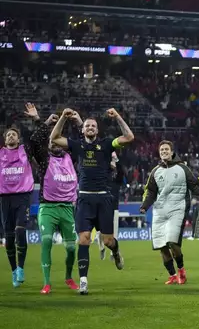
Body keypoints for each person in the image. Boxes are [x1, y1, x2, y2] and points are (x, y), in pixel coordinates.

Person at [50, 107, 134, 295]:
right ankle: (83, 281)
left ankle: (116, 251)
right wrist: (63, 117)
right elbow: (54, 138)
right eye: (87, 125)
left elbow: (129, 137)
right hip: (85, 198)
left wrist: (119, 117)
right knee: (84, 239)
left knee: (108, 240)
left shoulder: (106, 144)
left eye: (93, 126)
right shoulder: (77, 145)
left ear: (97, 130)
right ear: (82, 129)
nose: (89, 128)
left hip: (104, 198)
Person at [28, 107, 80, 294]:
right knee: (47, 241)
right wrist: (41, 122)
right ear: (48, 144)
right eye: (52, 141)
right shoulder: (44, 159)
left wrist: (76, 121)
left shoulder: (70, 157)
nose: (56, 144)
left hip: (67, 208)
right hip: (48, 207)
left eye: (59, 141)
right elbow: (34, 142)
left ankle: (68, 277)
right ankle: (47, 282)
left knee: (72, 249)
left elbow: (84, 143)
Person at [140, 141, 199, 285]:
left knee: (172, 241)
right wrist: (145, 206)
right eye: (161, 149)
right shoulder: (155, 171)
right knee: (161, 245)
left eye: (166, 149)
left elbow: (194, 185)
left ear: (171, 152)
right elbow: (151, 191)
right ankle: (172, 275)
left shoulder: (182, 168)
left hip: (178, 208)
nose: (164, 151)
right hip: (159, 210)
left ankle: (181, 269)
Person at [0, 102, 45, 287]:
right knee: (9, 238)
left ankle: (20, 268)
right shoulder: (0, 154)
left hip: (22, 198)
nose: (11, 136)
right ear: (5, 140)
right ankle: (13, 270)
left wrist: (36, 118)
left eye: (14, 134)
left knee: (20, 233)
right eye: (8, 134)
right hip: (4, 199)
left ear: (18, 140)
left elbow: (41, 135)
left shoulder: (25, 150)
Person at [98, 152, 125, 261]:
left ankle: (112, 253)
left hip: (114, 209)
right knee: (100, 233)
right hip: (103, 208)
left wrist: (116, 160)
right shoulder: (104, 179)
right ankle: (101, 248)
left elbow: (121, 172)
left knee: (115, 233)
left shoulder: (117, 181)